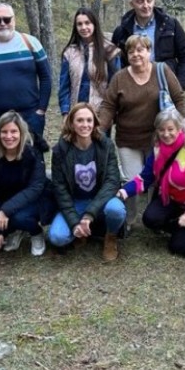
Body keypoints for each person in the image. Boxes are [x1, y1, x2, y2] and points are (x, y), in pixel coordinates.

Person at [98, 35, 185, 224]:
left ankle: (152, 215)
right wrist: (98, 130)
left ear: (149, 51)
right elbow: (108, 106)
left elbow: (179, 98)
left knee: (156, 179)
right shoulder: (120, 78)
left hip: (158, 138)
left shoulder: (162, 70)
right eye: (131, 51)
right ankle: (129, 218)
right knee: (133, 180)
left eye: (140, 50)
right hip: (128, 139)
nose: (136, 55)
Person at [118, 108, 185, 256]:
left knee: (180, 248)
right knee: (150, 219)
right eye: (161, 130)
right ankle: (182, 229)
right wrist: (124, 191)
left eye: (170, 129)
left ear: (179, 129)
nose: (166, 134)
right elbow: (145, 178)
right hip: (173, 200)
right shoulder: (157, 149)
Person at [48, 104, 126, 261]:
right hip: (75, 202)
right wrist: (74, 222)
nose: (85, 125)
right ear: (71, 123)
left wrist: (89, 214)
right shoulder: (60, 150)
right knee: (57, 237)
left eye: (89, 120)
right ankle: (82, 230)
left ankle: (110, 237)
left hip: (101, 199)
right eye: (80, 120)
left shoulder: (106, 145)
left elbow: (112, 181)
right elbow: (60, 189)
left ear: (95, 122)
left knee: (116, 210)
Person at [0, 111, 48, 256]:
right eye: (4, 132)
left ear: (21, 132)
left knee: (19, 217)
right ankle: (15, 230)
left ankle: (36, 232)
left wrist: (5, 211)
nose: (9, 136)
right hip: (3, 200)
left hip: (33, 201)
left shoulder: (33, 152)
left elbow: (35, 188)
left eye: (14, 131)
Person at [0, 3, 52, 137]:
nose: (2, 23)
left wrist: (41, 110)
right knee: (0, 157)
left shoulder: (31, 43)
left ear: (14, 20)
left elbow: (46, 77)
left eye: (7, 19)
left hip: (30, 115)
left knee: (33, 156)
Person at [111, 0, 185, 90]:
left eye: (149, 0)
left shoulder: (170, 25)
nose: (146, 6)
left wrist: (180, 85)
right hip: (133, 89)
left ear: (154, 1)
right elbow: (116, 63)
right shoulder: (121, 31)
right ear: (131, 4)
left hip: (165, 86)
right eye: (140, 1)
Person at [58, 8, 121, 117]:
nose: (83, 27)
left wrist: (108, 114)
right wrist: (65, 112)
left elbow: (114, 86)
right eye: (79, 24)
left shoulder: (109, 50)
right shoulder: (69, 52)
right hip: (76, 114)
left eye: (87, 23)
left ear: (94, 24)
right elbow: (64, 87)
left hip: (100, 115)